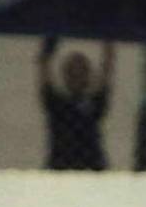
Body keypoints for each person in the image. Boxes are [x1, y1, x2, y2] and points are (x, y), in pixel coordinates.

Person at [38, 37, 114, 171]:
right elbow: (43, 67)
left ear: (88, 76)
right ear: (66, 75)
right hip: (60, 169)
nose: (77, 75)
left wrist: (107, 39)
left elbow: (107, 68)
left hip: (92, 170)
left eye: (82, 71)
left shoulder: (95, 103)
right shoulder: (56, 104)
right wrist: (49, 44)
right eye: (72, 72)